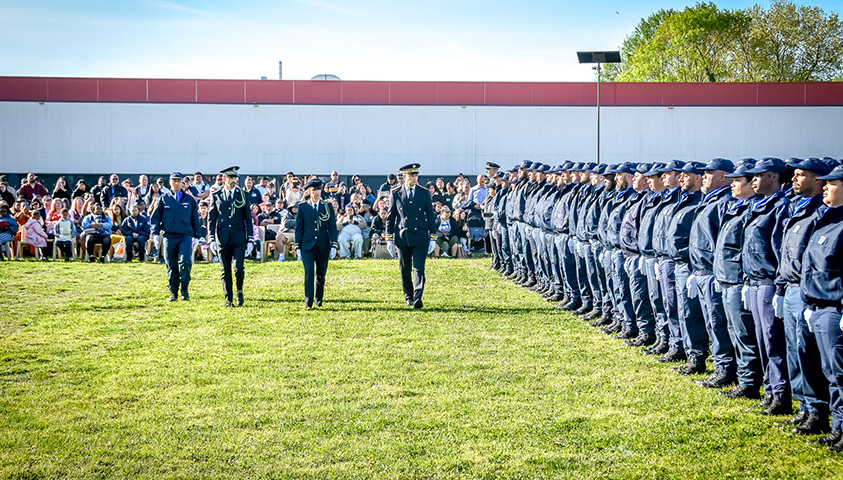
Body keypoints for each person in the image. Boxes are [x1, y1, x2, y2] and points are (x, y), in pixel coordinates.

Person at [801, 164, 843, 451]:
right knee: (830, 371)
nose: (824, 186)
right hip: (818, 306)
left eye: (831, 182)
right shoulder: (827, 220)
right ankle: (838, 428)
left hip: (835, 307)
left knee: (840, 373)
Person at [386, 163, 439, 309]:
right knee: (405, 268)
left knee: (419, 268)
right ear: (404, 177)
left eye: (416, 175)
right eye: (411, 175)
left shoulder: (423, 192)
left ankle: (417, 296)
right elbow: (391, 217)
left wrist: (433, 237)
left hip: (420, 235)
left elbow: (430, 214)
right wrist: (389, 238)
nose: (414, 178)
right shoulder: (396, 192)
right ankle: (408, 297)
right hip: (403, 236)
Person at [150, 172, 202, 301]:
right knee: (171, 264)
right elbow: (155, 218)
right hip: (169, 236)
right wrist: (155, 234)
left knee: (185, 262)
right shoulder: (163, 198)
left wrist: (197, 236)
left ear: (183, 183)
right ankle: (173, 291)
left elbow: (195, 219)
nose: (176, 183)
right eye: (174, 180)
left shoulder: (189, 200)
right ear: (170, 182)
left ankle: (184, 289)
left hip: (185, 236)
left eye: (179, 180)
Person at [208, 166, 253, 307]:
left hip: (239, 237)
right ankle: (229, 299)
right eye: (231, 178)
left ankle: (239, 290)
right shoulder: (216, 195)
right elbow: (211, 219)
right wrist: (211, 239)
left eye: (235, 178)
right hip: (223, 238)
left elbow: (248, 218)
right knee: (225, 270)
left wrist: (250, 239)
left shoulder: (243, 195)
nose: (233, 180)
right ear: (224, 179)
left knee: (238, 268)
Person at [295, 178, 338, 310]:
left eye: (318, 189)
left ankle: (318, 299)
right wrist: (297, 245)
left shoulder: (327, 205)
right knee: (309, 272)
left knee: (321, 274)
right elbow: (299, 228)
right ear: (309, 191)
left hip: (323, 244)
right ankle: (308, 302)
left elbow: (332, 227)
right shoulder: (303, 207)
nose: (317, 192)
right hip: (307, 245)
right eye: (314, 190)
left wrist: (334, 244)